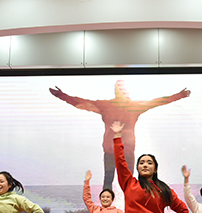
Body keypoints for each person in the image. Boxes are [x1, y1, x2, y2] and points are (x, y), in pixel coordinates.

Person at [50, 81, 190, 189]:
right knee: (118, 181)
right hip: (116, 150)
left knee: (116, 181)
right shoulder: (120, 106)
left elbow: (157, 102)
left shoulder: (120, 106)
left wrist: (61, 95)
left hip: (121, 150)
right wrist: (61, 95)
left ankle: (121, 210)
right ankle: (113, 211)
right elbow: (81, 103)